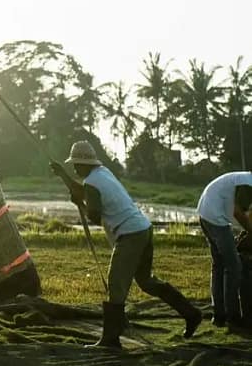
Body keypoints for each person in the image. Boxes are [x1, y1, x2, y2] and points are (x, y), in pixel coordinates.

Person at [52, 141, 201, 348]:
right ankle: (191, 313)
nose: (75, 169)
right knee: (146, 282)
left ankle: (111, 338)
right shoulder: (102, 173)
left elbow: (94, 215)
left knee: (116, 284)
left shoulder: (92, 183)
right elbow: (84, 191)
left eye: (76, 165)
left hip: (130, 234)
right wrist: (63, 176)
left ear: (85, 164)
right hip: (143, 228)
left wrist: (81, 204)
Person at [197, 171, 252, 330]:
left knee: (219, 264)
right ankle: (232, 317)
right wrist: (250, 231)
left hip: (205, 213)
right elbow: (238, 212)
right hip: (215, 218)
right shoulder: (248, 184)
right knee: (234, 267)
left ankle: (219, 315)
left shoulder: (245, 179)